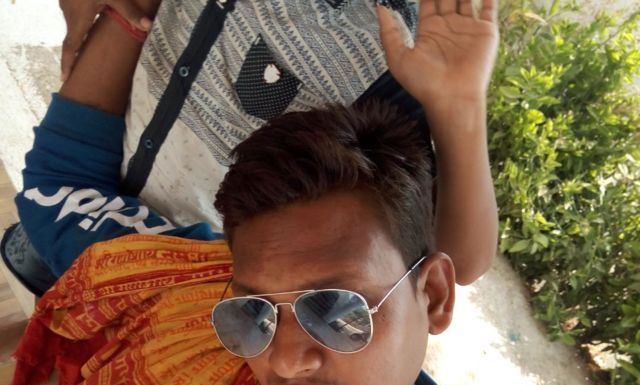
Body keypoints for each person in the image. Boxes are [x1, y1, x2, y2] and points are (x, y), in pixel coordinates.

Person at [0, 3, 556, 385]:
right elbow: (61, 187)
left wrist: (458, 111)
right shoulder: (193, 303)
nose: (284, 361)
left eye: (339, 310)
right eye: (253, 313)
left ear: (432, 297)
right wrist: (130, 17)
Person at [2, 0, 499, 293]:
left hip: (181, 291)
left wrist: (458, 109)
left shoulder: (401, 52)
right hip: (76, 209)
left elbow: (453, 258)